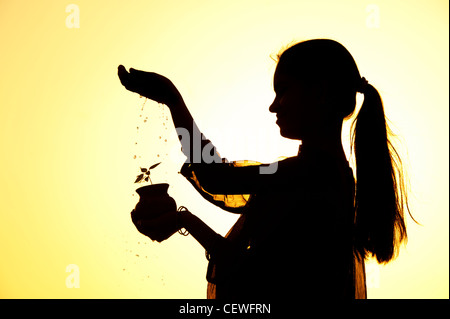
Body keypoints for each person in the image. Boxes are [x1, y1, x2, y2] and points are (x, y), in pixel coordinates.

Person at [118, 39, 412, 300]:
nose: (273, 106)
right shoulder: (325, 174)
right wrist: (184, 220)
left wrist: (173, 100)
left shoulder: (306, 174)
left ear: (320, 92)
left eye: (283, 91)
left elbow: (219, 182)